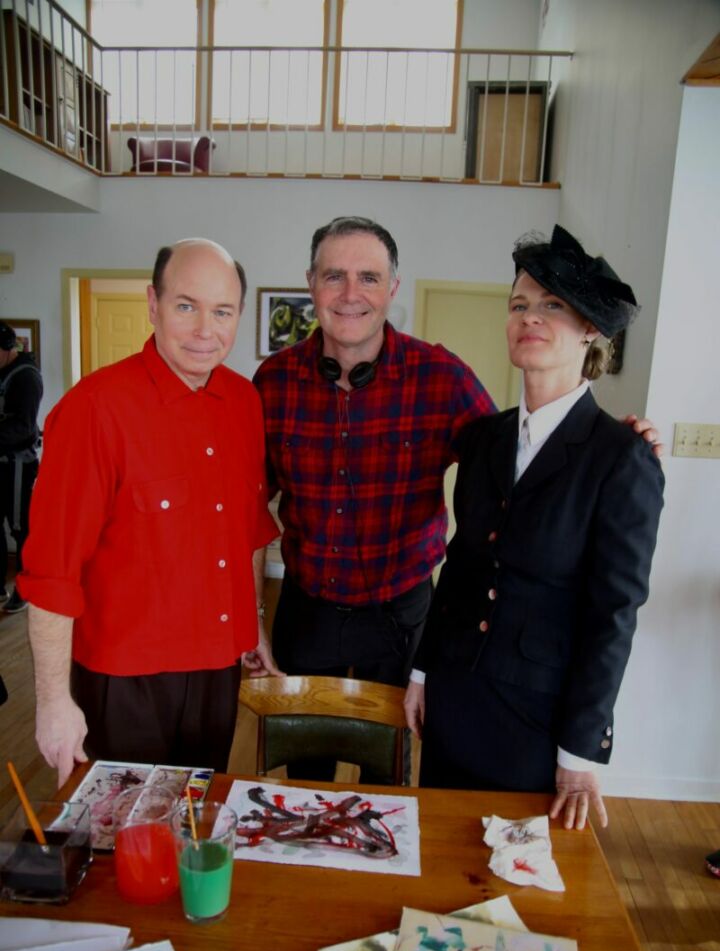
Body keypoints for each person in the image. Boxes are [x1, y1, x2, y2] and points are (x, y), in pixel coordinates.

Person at [404, 225, 664, 830]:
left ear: (591, 328)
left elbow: (615, 613)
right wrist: (421, 671)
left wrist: (582, 748)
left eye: (552, 305)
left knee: (515, 888)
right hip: (455, 698)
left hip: (538, 720)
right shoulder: (486, 439)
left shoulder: (621, 457)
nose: (531, 317)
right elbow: (463, 564)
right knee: (438, 856)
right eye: (519, 304)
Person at [19, 239, 279, 788]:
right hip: (124, 681)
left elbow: (249, 530)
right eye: (186, 305)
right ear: (152, 303)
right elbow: (51, 574)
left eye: (222, 310)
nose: (205, 329)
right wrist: (53, 702)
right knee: (124, 843)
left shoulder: (244, 403)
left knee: (195, 821)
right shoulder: (94, 410)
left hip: (216, 669)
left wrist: (253, 622)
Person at [252, 216, 496, 695]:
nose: (350, 293)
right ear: (311, 285)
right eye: (333, 276)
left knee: (391, 763)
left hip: (403, 615)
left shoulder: (441, 376)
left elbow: (511, 459)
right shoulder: (273, 382)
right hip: (306, 612)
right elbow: (246, 505)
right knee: (300, 759)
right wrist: (253, 615)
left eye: (368, 277)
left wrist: (608, 443)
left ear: (392, 288)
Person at [0, 320, 43, 614]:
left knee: (21, 529)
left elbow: (23, 426)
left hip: (17, 465)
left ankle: (25, 591)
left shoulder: (26, 378)